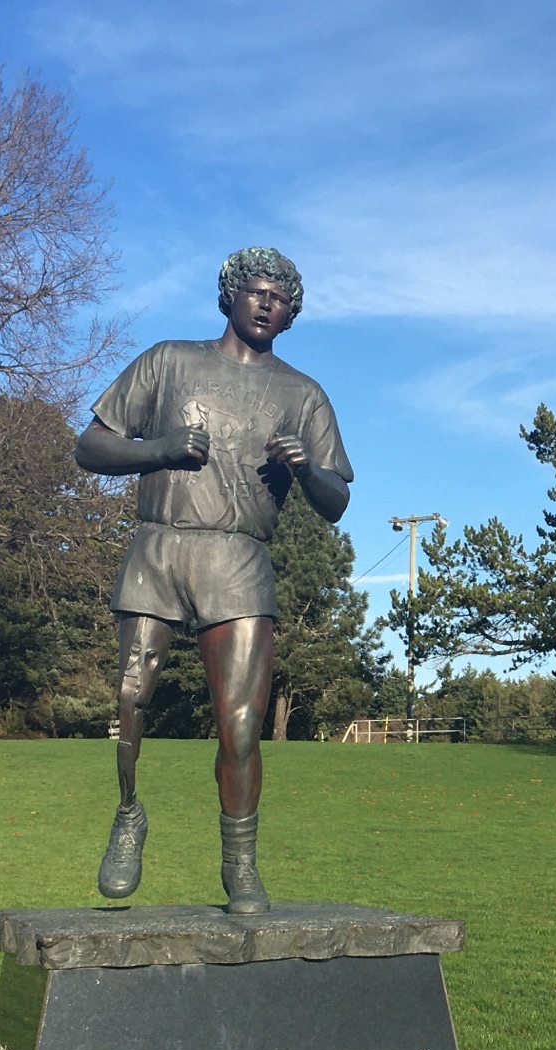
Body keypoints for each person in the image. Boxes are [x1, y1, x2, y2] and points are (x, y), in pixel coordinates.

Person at [74, 247, 353, 913]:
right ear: (230, 296)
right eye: (256, 292)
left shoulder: (303, 394)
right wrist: (161, 449)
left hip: (239, 558)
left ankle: (241, 863)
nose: (266, 305)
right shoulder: (169, 361)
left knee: (241, 724)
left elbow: (336, 499)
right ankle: (129, 812)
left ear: (292, 314)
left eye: (279, 299)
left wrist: (306, 468)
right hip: (160, 545)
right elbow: (90, 445)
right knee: (130, 697)